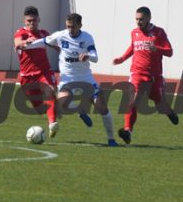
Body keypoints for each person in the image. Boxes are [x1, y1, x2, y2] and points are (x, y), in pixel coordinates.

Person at [24, 13, 118, 146]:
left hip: (86, 78)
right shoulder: (61, 35)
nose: (70, 29)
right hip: (67, 79)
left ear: (80, 26)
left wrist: (88, 56)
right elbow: (44, 41)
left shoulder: (87, 37)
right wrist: (27, 45)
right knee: (62, 104)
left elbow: (95, 56)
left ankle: (111, 139)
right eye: (68, 26)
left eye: (73, 27)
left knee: (102, 108)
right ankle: (80, 110)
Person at [112, 6, 178, 144]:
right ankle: (127, 131)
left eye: (141, 19)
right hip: (137, 73)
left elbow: (169, 52)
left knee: (160, 105)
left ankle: (169, 112)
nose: (138, 22)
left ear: (149, 18)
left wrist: (157, 49)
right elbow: (132, 47)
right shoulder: (134, 32)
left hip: (154, 76)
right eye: (136, 19)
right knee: (132, 101)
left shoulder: (159, 32)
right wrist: (122, 59)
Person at [13, 6, 59, 137]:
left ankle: (52, 123)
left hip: (44, 72)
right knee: (39, 109)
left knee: (50, 91)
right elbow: (17, 43)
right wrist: (25, 42)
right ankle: (54, 107)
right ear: (24, 21)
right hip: (27, 77)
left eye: (34, 20)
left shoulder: (44, 34)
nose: (31, 23)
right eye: (29, 21)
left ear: (39, 20)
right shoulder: (21, 33)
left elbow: (57, 46)